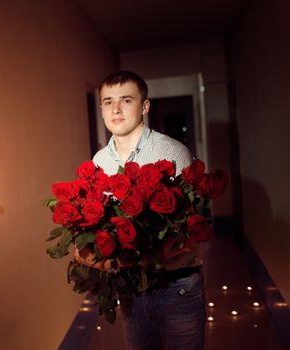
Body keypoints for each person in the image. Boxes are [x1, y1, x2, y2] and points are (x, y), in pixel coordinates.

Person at [74, 71, 206, 350]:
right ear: (100, 109)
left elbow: (191, 232)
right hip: (131, 291)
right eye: (108, 102)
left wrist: (125, 262)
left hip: (177, 287)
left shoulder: (172, 153)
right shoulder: (99, 161)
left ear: (145, 106)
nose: (116, 109)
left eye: (126, 100)